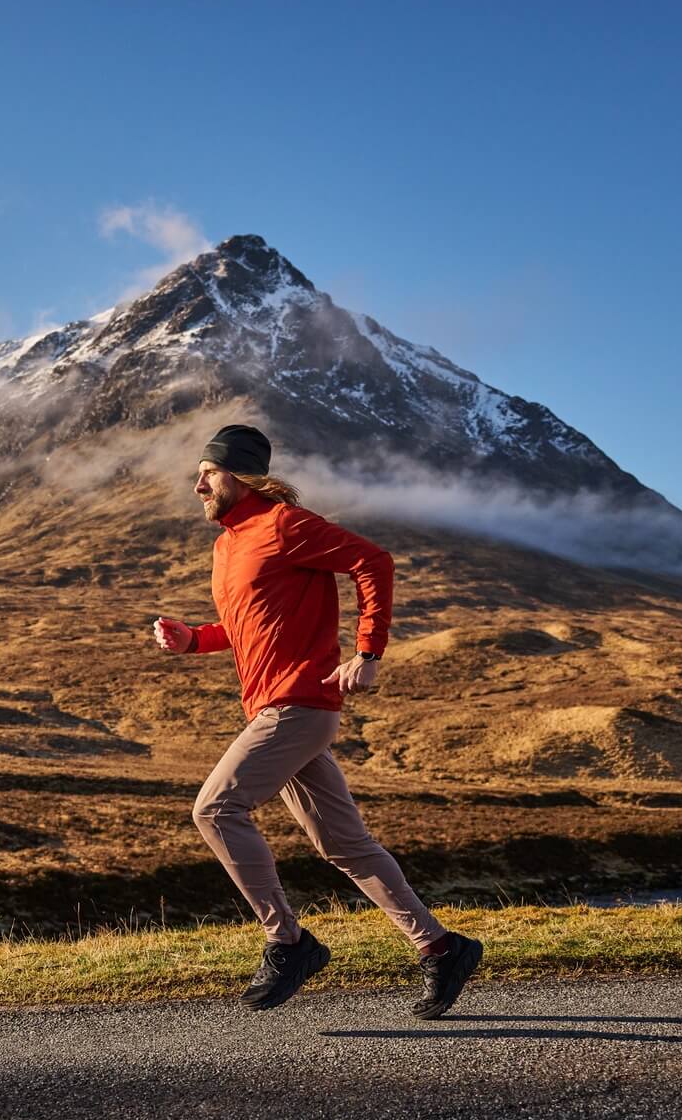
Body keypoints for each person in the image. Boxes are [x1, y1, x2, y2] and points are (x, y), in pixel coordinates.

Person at [151, 423, 483, 1016]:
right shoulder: (229, 545)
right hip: (278, 707)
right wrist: (194, 639)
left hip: (299, 705)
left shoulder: (285, 525)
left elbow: (372, 562)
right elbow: (247, 624)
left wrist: (368, 652)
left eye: (208, 471)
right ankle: (440, 948)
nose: (196, 482)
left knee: (216, 808)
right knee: (345, 844)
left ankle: (288, 941)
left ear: (239, 475)